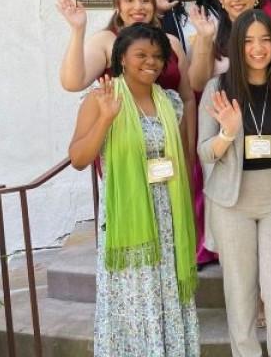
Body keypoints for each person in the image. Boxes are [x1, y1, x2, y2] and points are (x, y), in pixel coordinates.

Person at [68, 23, 199, 356]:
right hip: (129, 220)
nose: (150, 62)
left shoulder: (171, 102)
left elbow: (178, 160)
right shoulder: (102, 99)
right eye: (141, 54)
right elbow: (79, 158)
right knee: (133, 300)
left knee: (167, 296)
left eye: (157, 56)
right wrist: (106, 119)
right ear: (122, 58)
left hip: (168, 218)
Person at [198, 10, 271, 357]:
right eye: (248, 41)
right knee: (240, 289)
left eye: (265, 39)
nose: (257, 48)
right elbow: (204, 153)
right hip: (232, 196)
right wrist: (227, 133)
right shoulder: (218, 88)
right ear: (235, 46)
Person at [56, 0, 196, 162]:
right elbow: (72, 83)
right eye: (129, 0)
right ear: (118, 6)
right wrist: (78, 29)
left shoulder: (171, 43)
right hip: (124, 150)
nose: (138, 6)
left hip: (169, 149)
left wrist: (189, 149)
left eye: (145, 0)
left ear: (154, 5)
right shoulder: (106, 40)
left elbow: (186, 99)